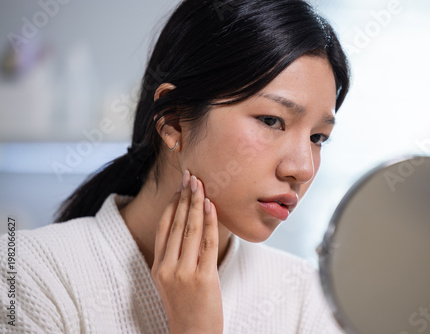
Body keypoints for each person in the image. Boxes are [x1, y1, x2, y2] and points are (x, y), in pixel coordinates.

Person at [0, 0, 350, 332]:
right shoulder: (28, 275)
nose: (302, 169)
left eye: (318, 138)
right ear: (173, 121)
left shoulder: (305, 297)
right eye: (272, 120)